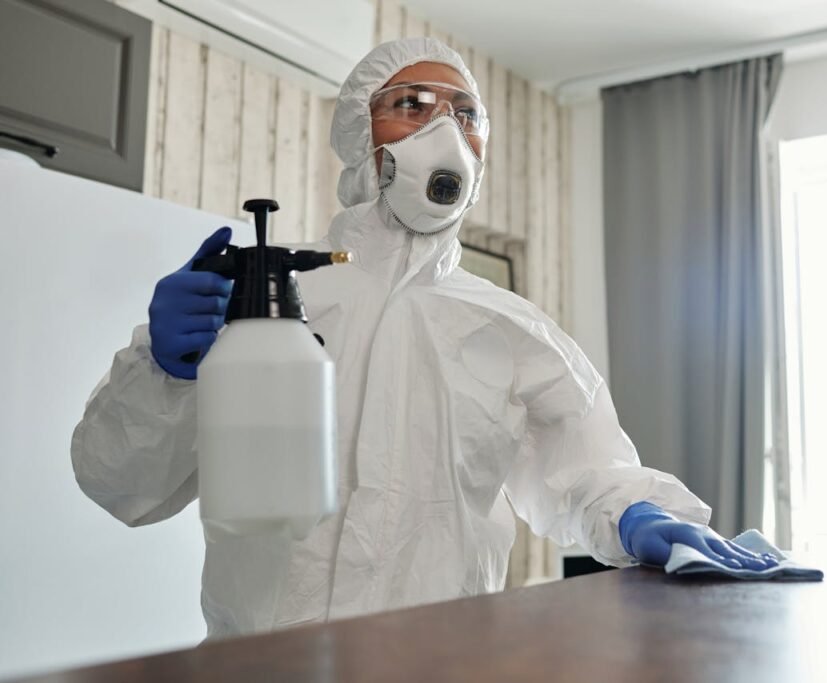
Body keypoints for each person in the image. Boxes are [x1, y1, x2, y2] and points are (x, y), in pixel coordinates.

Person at [71, 37, 775, 639]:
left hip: (441, 662)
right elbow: (122, 485)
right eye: (412, 104)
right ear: (359, 133)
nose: (445, 128)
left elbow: (587, 475)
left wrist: (638, 514)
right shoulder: (260, 295)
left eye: (466, 114)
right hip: (260, 665)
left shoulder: (514, 330)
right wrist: (163, 372)